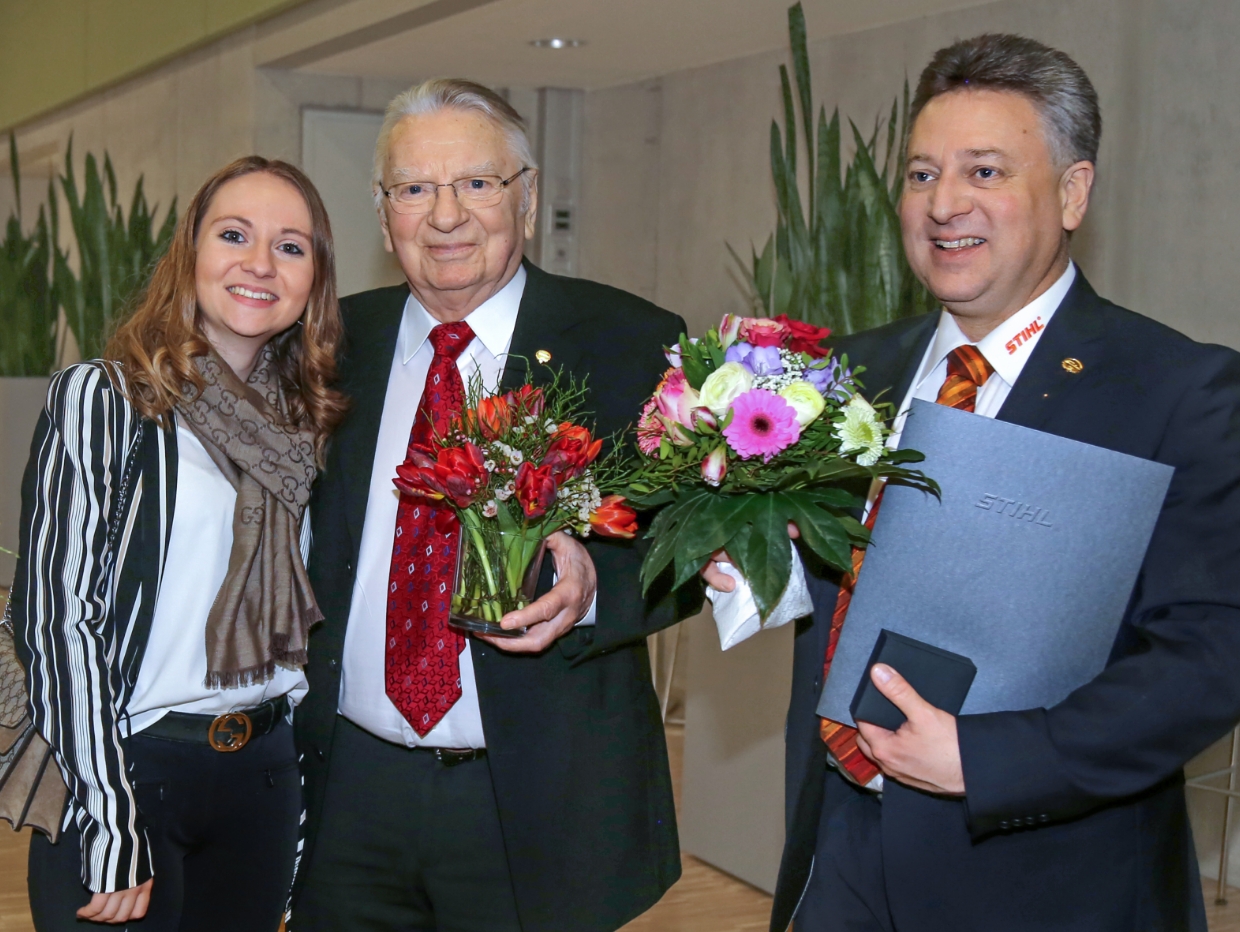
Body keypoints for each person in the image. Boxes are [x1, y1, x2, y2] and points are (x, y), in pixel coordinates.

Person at [704, 34, 1240, 932]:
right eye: (921, 175)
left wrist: (988, 759)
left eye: (984, 172)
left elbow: (1211, 655)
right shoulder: (842, 375)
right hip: (835, 856)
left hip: (1046, 880)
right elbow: (836, 584)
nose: (944, 203)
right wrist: (763, 565)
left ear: (1072, 192)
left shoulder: (1177, 390)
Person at [289, 78, 685, 932]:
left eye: (476, 183)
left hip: (536, 800)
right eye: (414, 189)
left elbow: (686, 542)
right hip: (346, 794)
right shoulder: (325, 348)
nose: (445, 217)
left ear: (528, 198)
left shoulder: (629, 342)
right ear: (383, 210)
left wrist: (592, 583)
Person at [8, 156, 347, 930]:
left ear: (314, 282)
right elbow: (60, 619)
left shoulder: (308, 425)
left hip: (261, 779)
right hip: (129, 770)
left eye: (291, 247)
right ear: (190, 253)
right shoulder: (107, 398)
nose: (259, 264)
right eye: (234, 235)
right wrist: (109, 813)